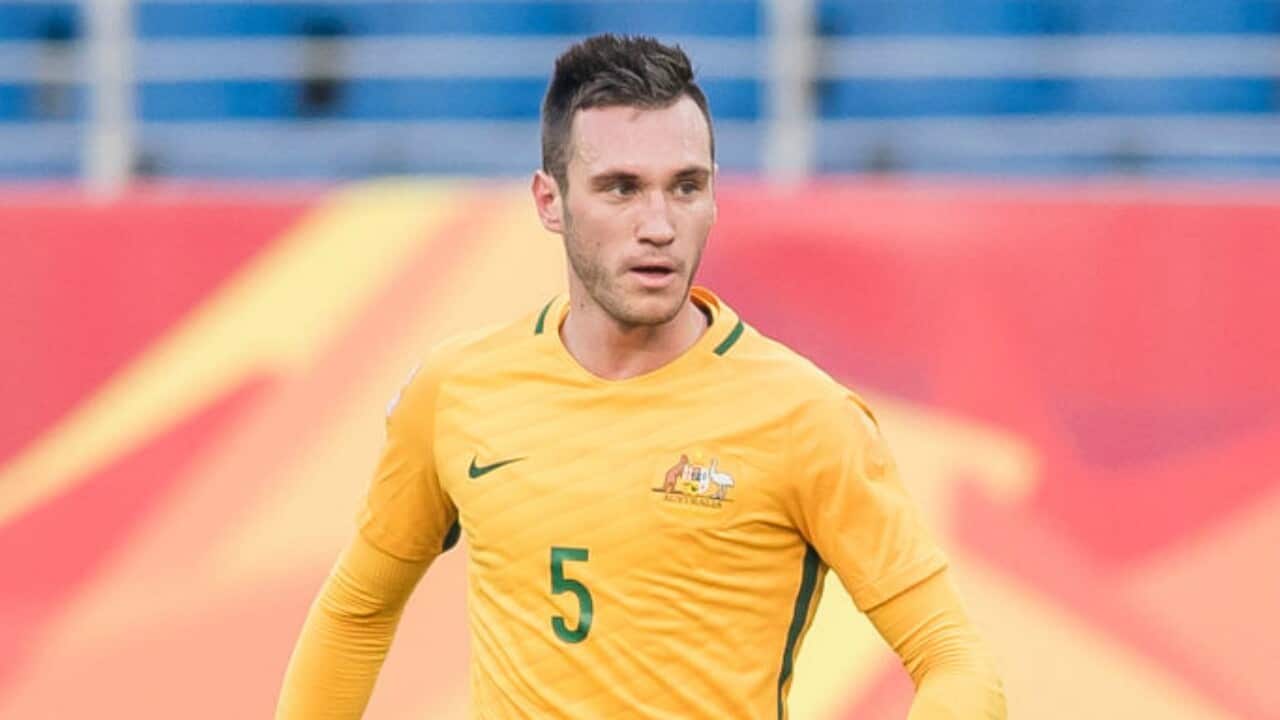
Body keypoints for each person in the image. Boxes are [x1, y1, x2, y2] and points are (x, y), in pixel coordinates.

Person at [276, 34, 1006, 719]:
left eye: (684, 187)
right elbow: (357, 610)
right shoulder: (456, 389)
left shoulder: (806, 416)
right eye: (621, 188)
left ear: (714, 197)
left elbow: (956, 660)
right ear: (549, 201)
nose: (657, 224)